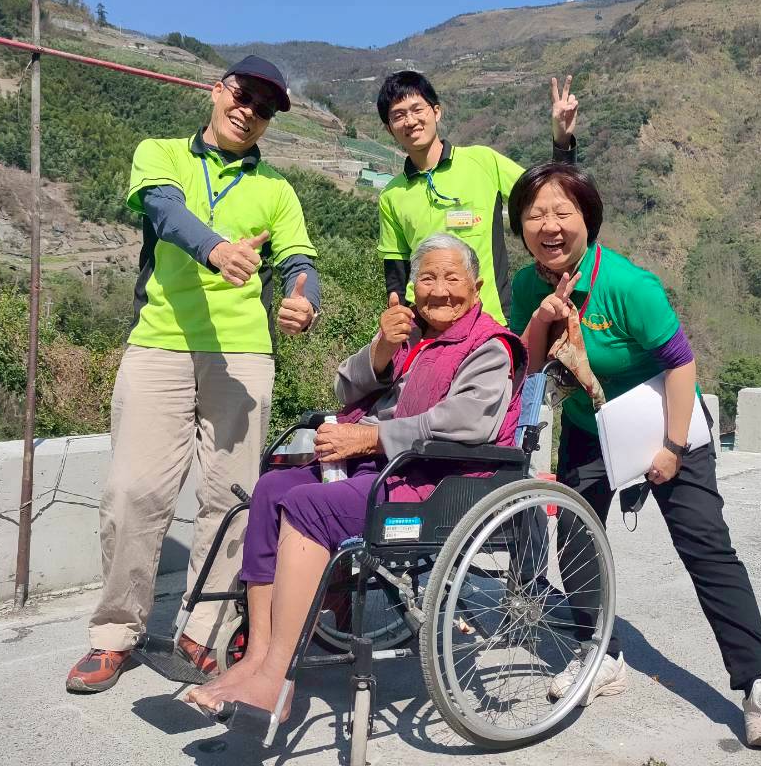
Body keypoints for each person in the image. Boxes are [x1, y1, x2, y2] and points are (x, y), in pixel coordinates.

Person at [507, 163, 761, 748]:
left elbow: (681, 363)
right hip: (590, 424)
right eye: (535, 215)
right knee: (577, 541)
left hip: (667, 420)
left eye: (563, 212)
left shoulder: (629, 286)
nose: (549, 226)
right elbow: (529, 365)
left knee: (705, 545)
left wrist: (673, 447)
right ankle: (600, 655)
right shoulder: (527, 287)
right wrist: (540, 320)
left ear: (588, 219)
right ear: (520, 227)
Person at [184, 233, 526, 719]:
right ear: (413, 286)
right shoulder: (408, 334)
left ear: (476, 287)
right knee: (272, 489)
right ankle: (256, 657)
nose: (439, 290)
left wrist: (371, 438)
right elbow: (344, 388)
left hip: (438, 484)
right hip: (386, 469)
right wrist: (383, 346)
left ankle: (278, 678)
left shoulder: (489, 347)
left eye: (452, 278)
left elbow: (470, 422)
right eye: (427, 278)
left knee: (309, 507)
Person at [67, 56, 322, 694]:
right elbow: (164, 211)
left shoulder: (278, 190)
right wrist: (216, 249)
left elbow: (299, 261)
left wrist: (304, 299)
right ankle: (114, 633)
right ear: (217, 91)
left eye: (265, 108)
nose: (249, 111)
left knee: (231, 499)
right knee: (133, 491)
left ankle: (203, 634)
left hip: (244, 354)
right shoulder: (161, 154)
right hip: (160, 343)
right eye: (243, 95)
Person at [375, 70, 580, 325]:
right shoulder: (392, 194)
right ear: (389, 128)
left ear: (436, 112)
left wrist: (562, 142)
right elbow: (396, 270)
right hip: (427, 326)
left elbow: (548, 194)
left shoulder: (482, 161)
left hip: (489, 322)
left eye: (418, 109)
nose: (410, 121)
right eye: (398, 115)